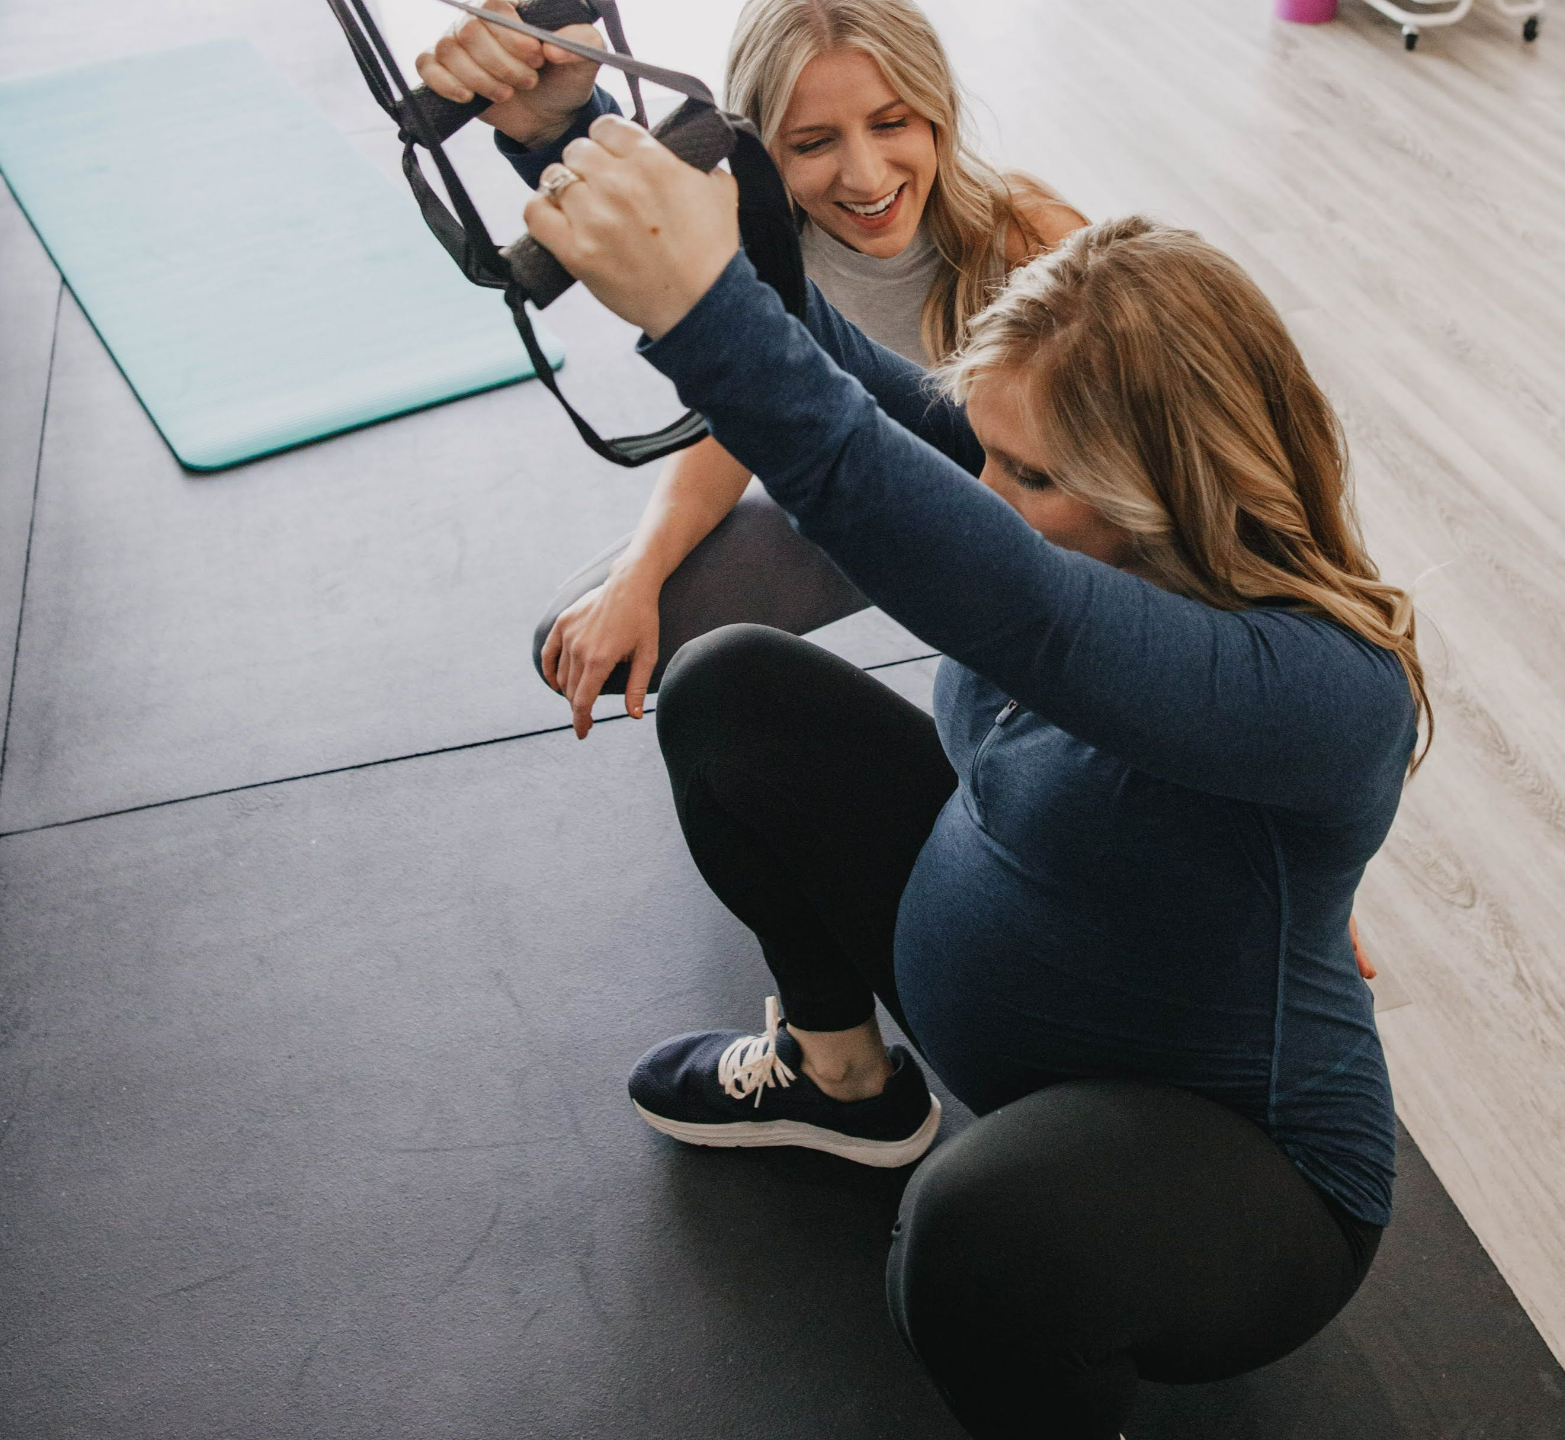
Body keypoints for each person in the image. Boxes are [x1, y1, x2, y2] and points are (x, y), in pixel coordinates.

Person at [516, 113, 1430, 1439]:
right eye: (986, 452)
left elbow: (1003, 595)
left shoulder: (1318, 687)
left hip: (1249, 1181)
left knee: (976, 1233)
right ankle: (841, 1085)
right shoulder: (1070, 513)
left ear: (1168, 489)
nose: (984, 489)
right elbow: (856, 398)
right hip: (1008, 987)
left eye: (1029, 476)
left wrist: (704, 322)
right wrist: (568, 144)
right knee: (732, 692)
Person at [417, 0, 1085, 736]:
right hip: (865, 497)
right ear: (758, 146)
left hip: (1033, 519)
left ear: (938, 116)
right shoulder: (761, 244)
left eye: (891, 123)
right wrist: (640, 572)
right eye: (814, 142)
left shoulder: (1033, 236)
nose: (866, 177)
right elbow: (738, 419)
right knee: (575, 635)